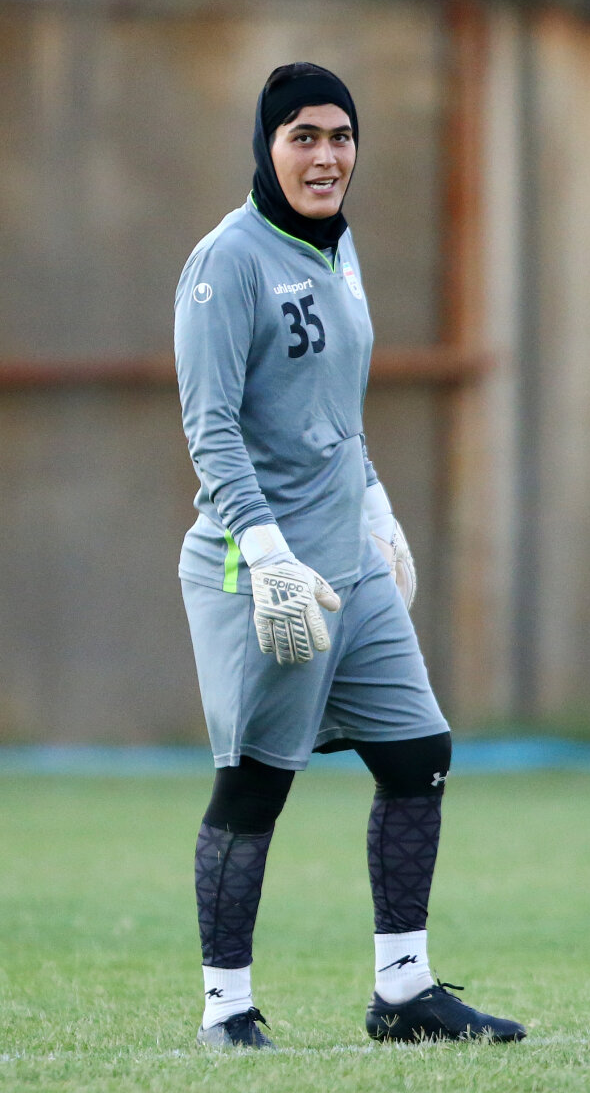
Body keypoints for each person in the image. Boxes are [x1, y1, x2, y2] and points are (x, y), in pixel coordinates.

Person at [174, 61, 526, 1049]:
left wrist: (375, 505)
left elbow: (334, 407)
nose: (325, 155)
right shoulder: (226, 262)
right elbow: (211, 430)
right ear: (266, 145)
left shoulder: (337, 246)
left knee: (418, 755)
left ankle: (403, 993)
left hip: (350, 560)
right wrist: (268, 553)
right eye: (303, 136)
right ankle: (224, 1011)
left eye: (340, 135)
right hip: (263, 572)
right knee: (255, 784)